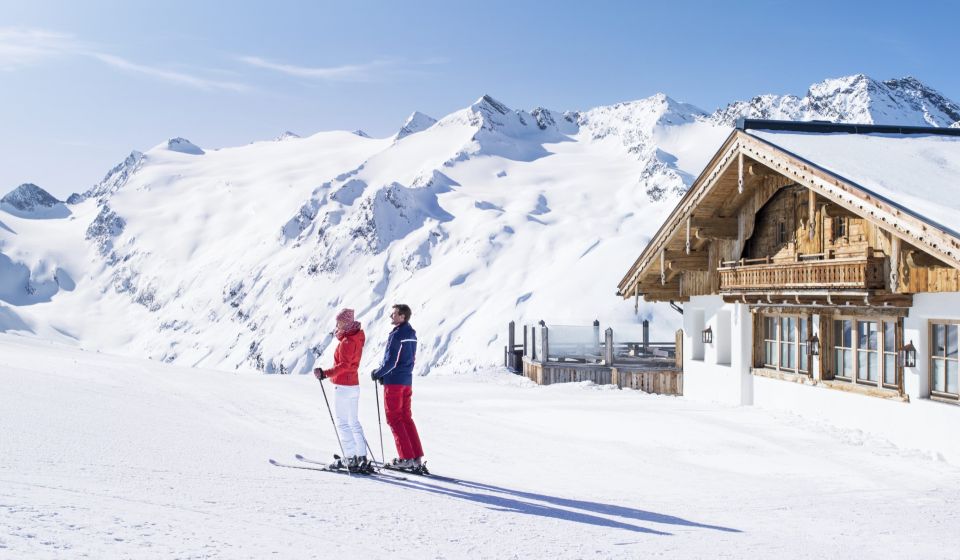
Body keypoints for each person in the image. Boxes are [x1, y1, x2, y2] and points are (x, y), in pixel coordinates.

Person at [314, 308, 371, 473]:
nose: (337, 326)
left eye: (339, 322)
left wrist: (325, 373)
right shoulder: (357, 337)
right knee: (353, 421)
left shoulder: (347, 342)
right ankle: (361, 456)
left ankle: (350, 457)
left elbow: (344, 366)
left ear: (345, 323)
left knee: (342, 422)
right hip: (354, 385)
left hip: (344, 386)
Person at [371, 303, 424, 469]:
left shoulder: (397, 334)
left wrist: (378, 373)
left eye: (394, 314)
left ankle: (406, 458)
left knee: (394, 418)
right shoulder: (411, 334)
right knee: (406, 418)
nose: (391, 316)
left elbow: (391, 361)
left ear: (402, 316)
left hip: (394, 382)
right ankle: (415, 457)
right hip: (406, 381)